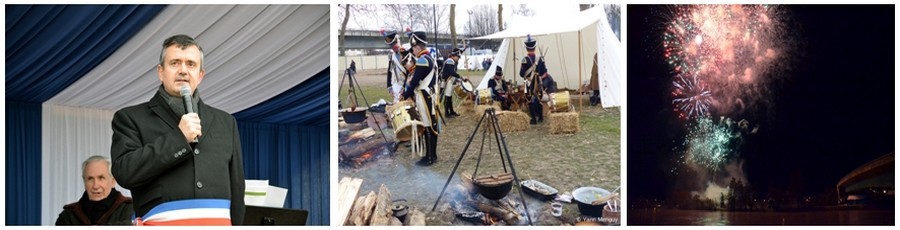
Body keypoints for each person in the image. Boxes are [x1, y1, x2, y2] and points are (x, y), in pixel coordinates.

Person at [110, 34, 245, 225]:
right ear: (160, 71)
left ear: (200, 75)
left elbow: (237, 190)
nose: (183, 70)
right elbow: (124, 172)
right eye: (175, 63)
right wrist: (179, 138)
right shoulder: (130, 118)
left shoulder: (226, 122)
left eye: (191, 64)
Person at [56, 155, 134, 225]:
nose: (95, 186)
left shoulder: (130, 210)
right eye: (90, 179)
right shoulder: (68, 215)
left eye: (101, 178)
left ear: (113, 181)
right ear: (84, 181)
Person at [401, 31, 440, 166]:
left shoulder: (423, 60)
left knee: (427, 126)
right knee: (430, 125)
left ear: (417, 47)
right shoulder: (430, 59)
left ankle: (429, 157)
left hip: (424, 96)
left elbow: (414, 82)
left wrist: (404, 95)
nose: (413, 51)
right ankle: (432, 155)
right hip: (430, 95)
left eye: (414, 48)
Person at [519, 35, 549, 124]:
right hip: (538, 82)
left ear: (527, 48)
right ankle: (540, 117)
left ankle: (533, 119)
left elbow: (521, 74)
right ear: (535, 47)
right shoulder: (541, 59)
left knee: (529, 100)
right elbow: (544, 72)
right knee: (539, 99)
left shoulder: (525, 60)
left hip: (528, 83)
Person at [384, 30, 409, 103]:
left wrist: (405, 87)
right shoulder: (392, 56)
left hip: (407, 85)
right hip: (396, 85)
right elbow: (389, 72)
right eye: (391, 46)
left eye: (394, 44)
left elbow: (409, 72)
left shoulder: (406, 53)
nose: (393, 47)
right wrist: (389, 88)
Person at [440, 48, 464, 118]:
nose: (458, 58)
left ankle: (451, 112)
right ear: (454, 56)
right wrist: (460, 77)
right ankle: (447, 113)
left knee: (449, 97)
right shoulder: (450, 61)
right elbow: (452, 73)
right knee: (448, 97)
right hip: (447, 81)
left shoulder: (450, 61)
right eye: (458, 57)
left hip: (448, 80)